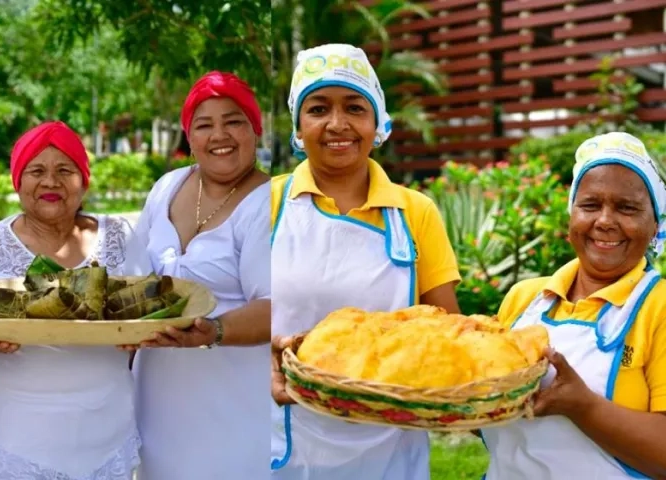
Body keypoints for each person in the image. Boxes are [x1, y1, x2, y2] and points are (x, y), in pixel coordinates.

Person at [269, 44, 462, 479]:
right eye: (318, 108)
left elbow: (447, 332)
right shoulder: (268, 204)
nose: (337, 124)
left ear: (377, 123)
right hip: (285, 438)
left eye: (355, 107)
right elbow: (232, 310)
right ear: (299, 127)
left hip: (390, 443)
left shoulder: (415, 214)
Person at [0, 121, 150, 479]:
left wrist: (138, 333)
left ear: (84, 180)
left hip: (105, 432)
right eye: (36, 171)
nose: (51, 182)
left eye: (65, 170)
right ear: (18, 182)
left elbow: (145, 310)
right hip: (16, 439)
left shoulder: (119, 234)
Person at [480, 132, 666, 479]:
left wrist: (584, 407)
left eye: (627, 207)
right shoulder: (524, 300)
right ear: (571, 215)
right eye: (591, 205)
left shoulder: (659, 307)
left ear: (655, 224)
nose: (605, 220)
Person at [128, 71, 271, 480]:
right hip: (156, 401)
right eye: (204, 125)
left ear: (255, 129)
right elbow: (135, 275)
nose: (218, 134)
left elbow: (278, 305)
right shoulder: (167, 187)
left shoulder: (269, 203)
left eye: (233, 121)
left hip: (234, 407)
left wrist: (214, 331)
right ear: (189, 137)